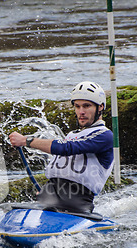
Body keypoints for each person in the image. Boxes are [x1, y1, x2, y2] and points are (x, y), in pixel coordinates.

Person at [9, 81, 114, 214]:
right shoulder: (71, 135)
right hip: (46, 201)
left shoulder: (105, 136)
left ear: (100, 107)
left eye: (86, 106)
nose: (81, 112)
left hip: (76, 208)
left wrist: (26, 141)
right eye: (77, 106)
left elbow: (67, 148)